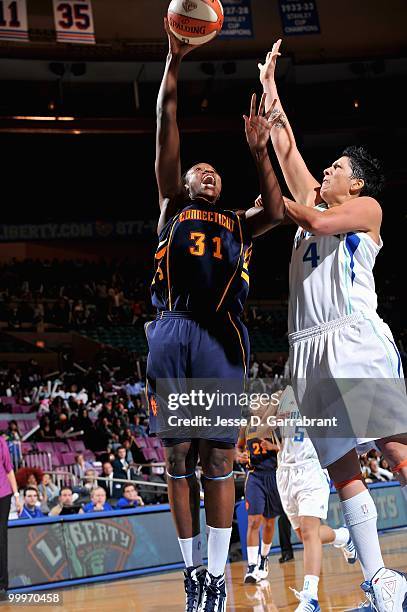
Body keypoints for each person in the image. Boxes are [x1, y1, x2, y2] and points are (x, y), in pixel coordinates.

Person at [258, 39, 407, 610]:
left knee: (397, 454)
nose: (325, 170)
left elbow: (309, 214)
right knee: (344, 473)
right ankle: (381, 584)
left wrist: (278, 194)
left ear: (358, 184)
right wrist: (272, 93)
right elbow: (286, 144)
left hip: (354, 341)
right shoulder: (316, 204)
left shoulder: (364, 213)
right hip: (308, 352)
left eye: (336, 168)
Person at [146, 18, 285, 612]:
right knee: (179, 456)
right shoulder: (171, 205)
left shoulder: (240, 221)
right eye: (197, 169)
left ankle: (216, 571)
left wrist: (260, 155)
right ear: (185, 182)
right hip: (173, 331)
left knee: (220, 457)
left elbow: (277, 210)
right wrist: (174, 63)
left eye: (214, 170)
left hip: (221, 338)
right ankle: (192, 576)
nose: (205, 172)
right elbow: (167, 127)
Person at [275, 385, 357, 608]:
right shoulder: (284, 394)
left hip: (311, 467)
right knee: (307, 536)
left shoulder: (323, 391)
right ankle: (343, 537)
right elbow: (268, 431)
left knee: (310, 533)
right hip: (284, 471)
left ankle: (310, 597)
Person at [236, 423, 283, 584]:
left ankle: (263, 558)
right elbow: (239, 447)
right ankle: (251, 566)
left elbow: (288, 449)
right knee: (254, 521)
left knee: (269, 523)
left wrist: (273, 446)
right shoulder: (247, 427)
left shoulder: (276, 424)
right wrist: (238, 455)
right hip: (254, 476)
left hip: (274, 475)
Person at [0, 434, 22, 599]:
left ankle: (2, 585)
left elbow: (9, 469)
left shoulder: (1, 442)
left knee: (1, 538)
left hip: (3, 495)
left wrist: (16, 495)